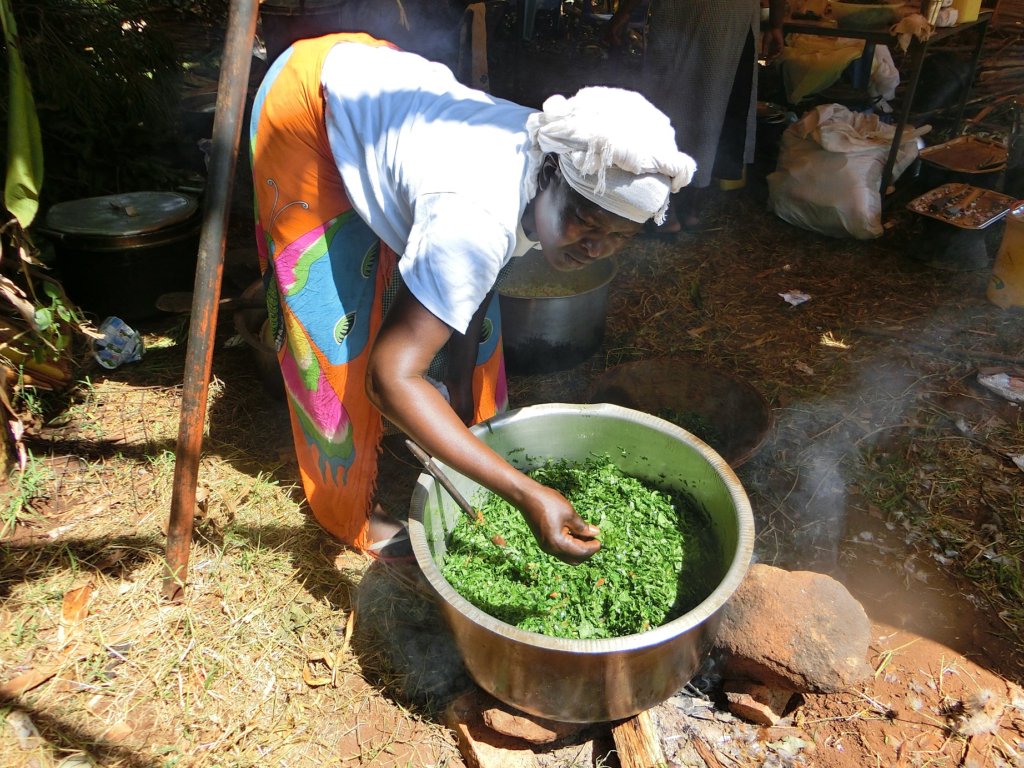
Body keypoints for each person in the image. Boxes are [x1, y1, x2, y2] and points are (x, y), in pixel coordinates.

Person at [249, 32, 695, 565]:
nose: (595, 249)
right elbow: (388, 377)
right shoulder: (476, 216)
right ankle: (347, 514)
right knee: (336, 330)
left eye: (619, 237)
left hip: (386, 83)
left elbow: (477, 284)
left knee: (466, 324)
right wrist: (526, 493)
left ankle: (470, 439)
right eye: (583, 223)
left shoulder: (560, 151)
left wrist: (460, 403)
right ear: (548, 175)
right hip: (312, 104)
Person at [606, 0, 785, 234]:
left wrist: (624, 12)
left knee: (670, 103)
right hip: (735, 16)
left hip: (684, 13)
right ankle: (689, 208)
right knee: (714, 102)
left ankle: (665, 210)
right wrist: (776, 24)